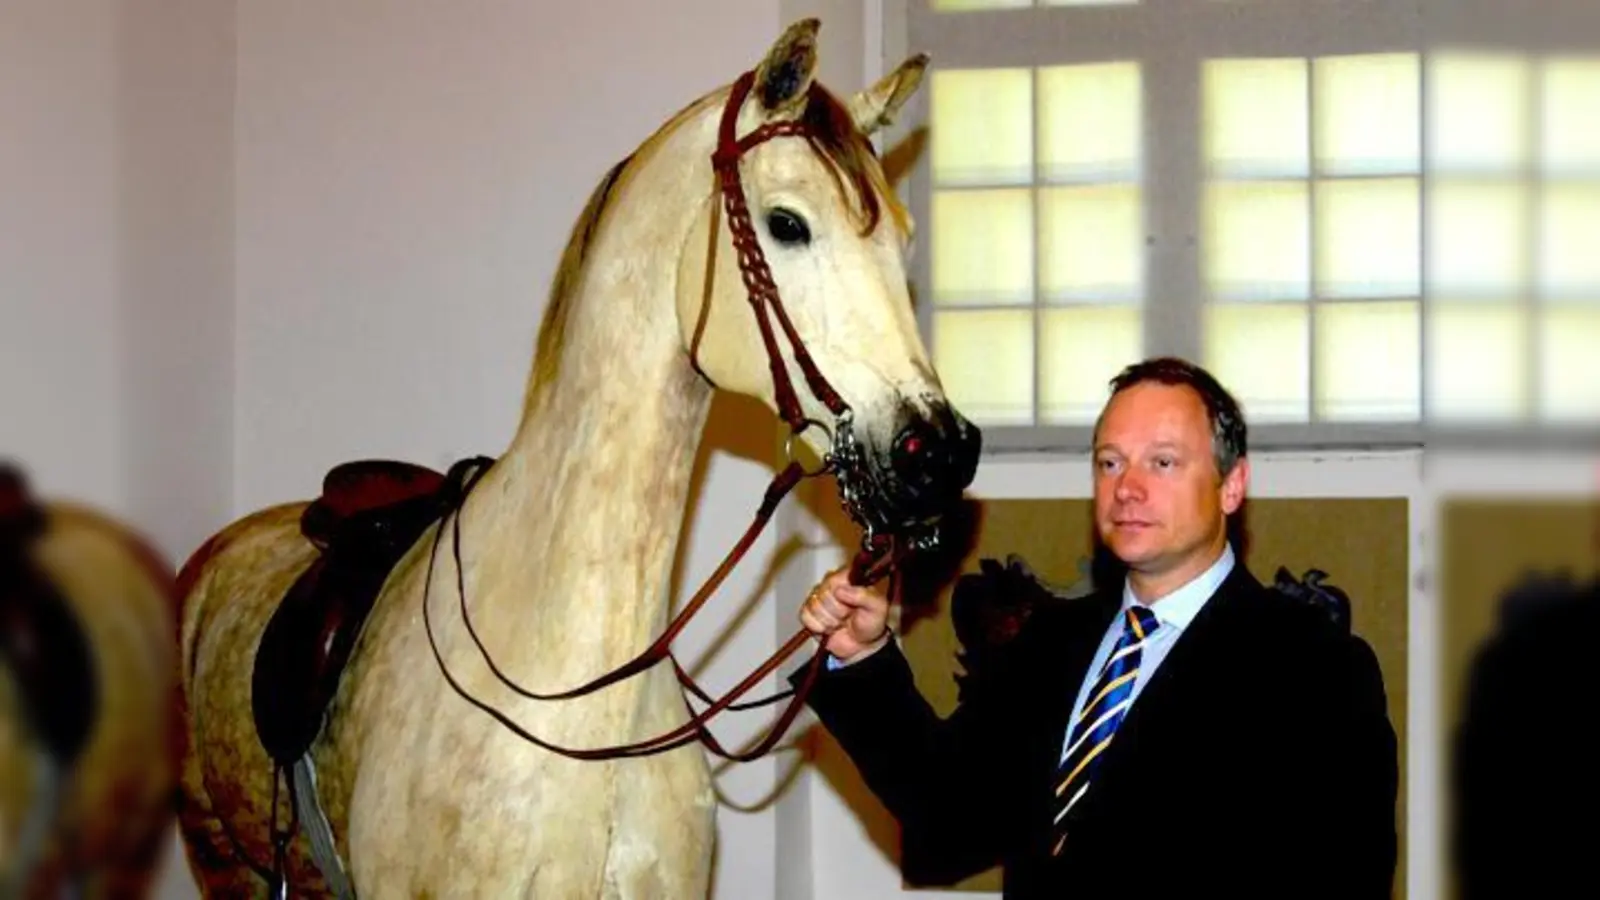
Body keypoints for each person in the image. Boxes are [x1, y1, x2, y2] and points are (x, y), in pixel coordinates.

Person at [793, 356, 1399, 899]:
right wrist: (864, 657)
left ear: (1231, 484)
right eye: (1110, 462)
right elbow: (949, 814)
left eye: (1162, 463)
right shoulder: (1049, 641)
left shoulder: (1315, 666)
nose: (1128, 488)